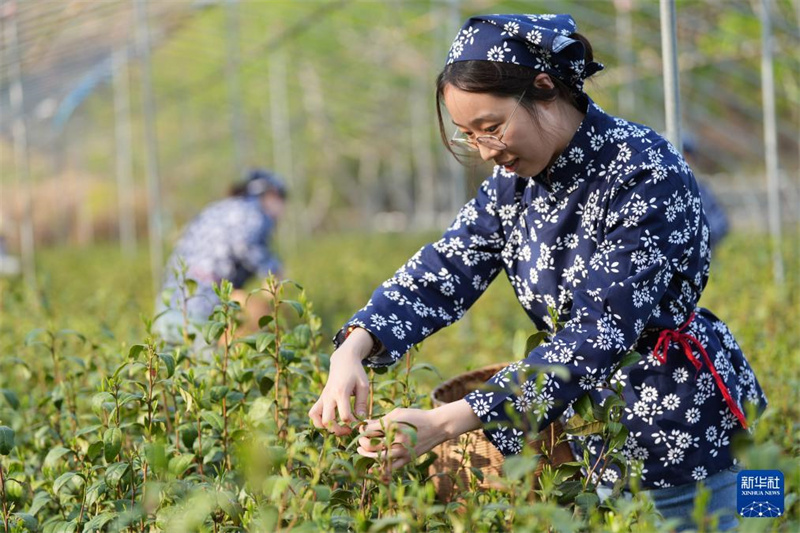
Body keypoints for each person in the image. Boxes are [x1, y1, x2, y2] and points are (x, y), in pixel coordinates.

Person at [308, 13, 768, 531]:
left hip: (695, 429)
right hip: (604, 433)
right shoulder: (516, 186)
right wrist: (354, 347)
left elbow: (600, 331)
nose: (486, 151)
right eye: (468, 136)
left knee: (758, 518)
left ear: (545, 87)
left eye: (492, 127)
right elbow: (445, 267)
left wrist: (444, 422)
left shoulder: (644, 170)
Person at [154, 168, 286, 347]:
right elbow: (244, 244)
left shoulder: (220, 208)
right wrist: (273, 272)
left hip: (170, 301)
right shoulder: (254, 213)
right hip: (201, 306)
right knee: (209, 366)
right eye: (282, 197)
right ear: (271, 195)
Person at [683, 136, 730, 248]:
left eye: (686, 155)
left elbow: (721, 222)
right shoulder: (654, 191)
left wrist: (700, 236)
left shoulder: (701, 189)